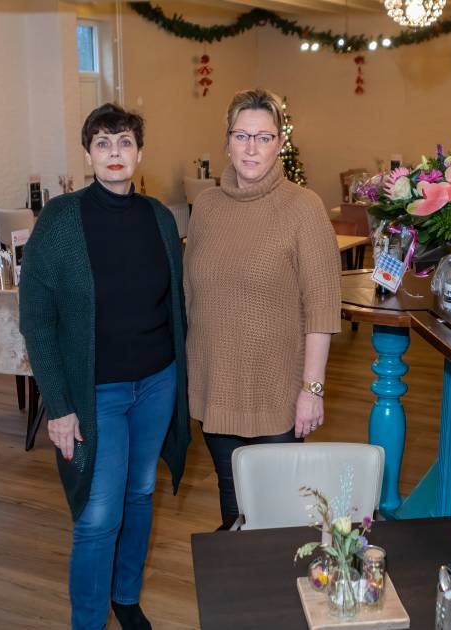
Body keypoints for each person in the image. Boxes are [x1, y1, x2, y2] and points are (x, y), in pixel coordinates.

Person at [20, 103, 191, 630]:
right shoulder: (60, 220)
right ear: (88, 153)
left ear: (140, 153)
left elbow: (175, 308)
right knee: (98, 515)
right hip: (97, 395)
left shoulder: (160, 219)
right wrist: (60, 406)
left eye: (124, 143)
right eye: (103, 143)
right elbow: (36, 321)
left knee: (140, 492)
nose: (114, 153)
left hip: (157, 382)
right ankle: (88, 621)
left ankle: (125, 595)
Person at [185, 88, 341, 528]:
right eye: (241, 135)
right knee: (232, 503)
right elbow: (191, 294)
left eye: (264, 137)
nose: (251, 148)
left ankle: (276, 594)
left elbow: (322, 308)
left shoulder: (303, 207)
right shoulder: (207, 208)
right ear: (227, 141)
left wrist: (311, 391)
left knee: (275, 515)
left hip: (275, 395)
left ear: (280, 144)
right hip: (217, 390)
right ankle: (238, 593)